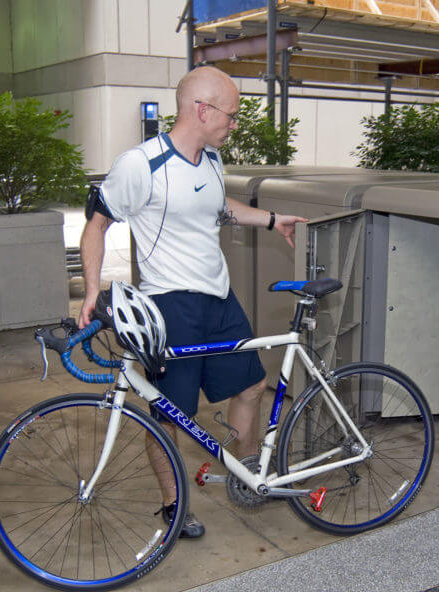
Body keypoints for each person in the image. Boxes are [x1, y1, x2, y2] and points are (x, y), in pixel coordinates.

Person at [77, 66, 307, 539]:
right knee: (170, 417)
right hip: (171, 306)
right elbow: (96, 225)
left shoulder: (211, 159)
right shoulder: (141, 165)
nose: (234, 123)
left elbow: (219, 207)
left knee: (252, 386)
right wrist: (92, 288)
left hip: (219, 299)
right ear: (202, 110)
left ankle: (246, 478)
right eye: (232, 114)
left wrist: (270, 219)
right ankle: (173, 504)